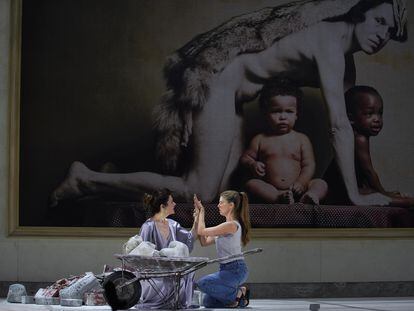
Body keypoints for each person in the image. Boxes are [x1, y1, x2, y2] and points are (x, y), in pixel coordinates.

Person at [50, 0, 407, 207]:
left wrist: (370, 188)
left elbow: (351, 130)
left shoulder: (346, 66)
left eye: (390, 31)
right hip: (219, 83)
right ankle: (86, 179)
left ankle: (115, 173)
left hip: (236, 97)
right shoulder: (330, 41)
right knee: (199, 191)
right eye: (379, 21)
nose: (382, 35)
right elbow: (339, 126)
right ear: (359, 12)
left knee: (214, 194)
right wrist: (359, 201)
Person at [240, 79, 328, 204]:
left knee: (320, 183)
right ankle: (278, 197)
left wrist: (301, 183)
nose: (282, 117)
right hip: (271, 188)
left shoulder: (301, 139)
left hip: (299, 188)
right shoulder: (260, 139)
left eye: (289, 111)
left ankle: (310, 195)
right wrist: (252, 164)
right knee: (251, 184)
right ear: (266, 113)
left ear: (296, 114)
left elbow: (309, 165)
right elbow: (245, 157)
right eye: (276, 111)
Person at [324, 85, 414, 207]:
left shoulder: (359, 136)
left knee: (372, 192)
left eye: (380, 113)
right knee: (385, 197)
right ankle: (407, 202)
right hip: (336, 190)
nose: (377, 119)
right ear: (351, 118)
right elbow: (368, 171)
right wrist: (384, 193)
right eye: (369, 113)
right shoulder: (359, 139)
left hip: (342, 189)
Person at [135, 188, 199, 309]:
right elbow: (143, 255)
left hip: (173, 270)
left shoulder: (173, 225)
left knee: (189, 271)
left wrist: (197, 218)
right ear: (162, 206)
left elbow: (190, 238)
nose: (174, 204)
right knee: (168, 279)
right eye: (171, 202)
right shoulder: (148, 227)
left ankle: (180, 302)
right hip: (155, 273)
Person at [193, 190, 251, 308]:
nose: (218, 205)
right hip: (225, 269)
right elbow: (204, 241)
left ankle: (237, 293)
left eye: (221, 202)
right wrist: (197, 218)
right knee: (208, 302)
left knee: (203, 283)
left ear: (231, 205)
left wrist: (202, 212)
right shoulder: (223, 227)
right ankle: (240, 299)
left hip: (236, 269)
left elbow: (201, 231)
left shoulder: (231, 225)